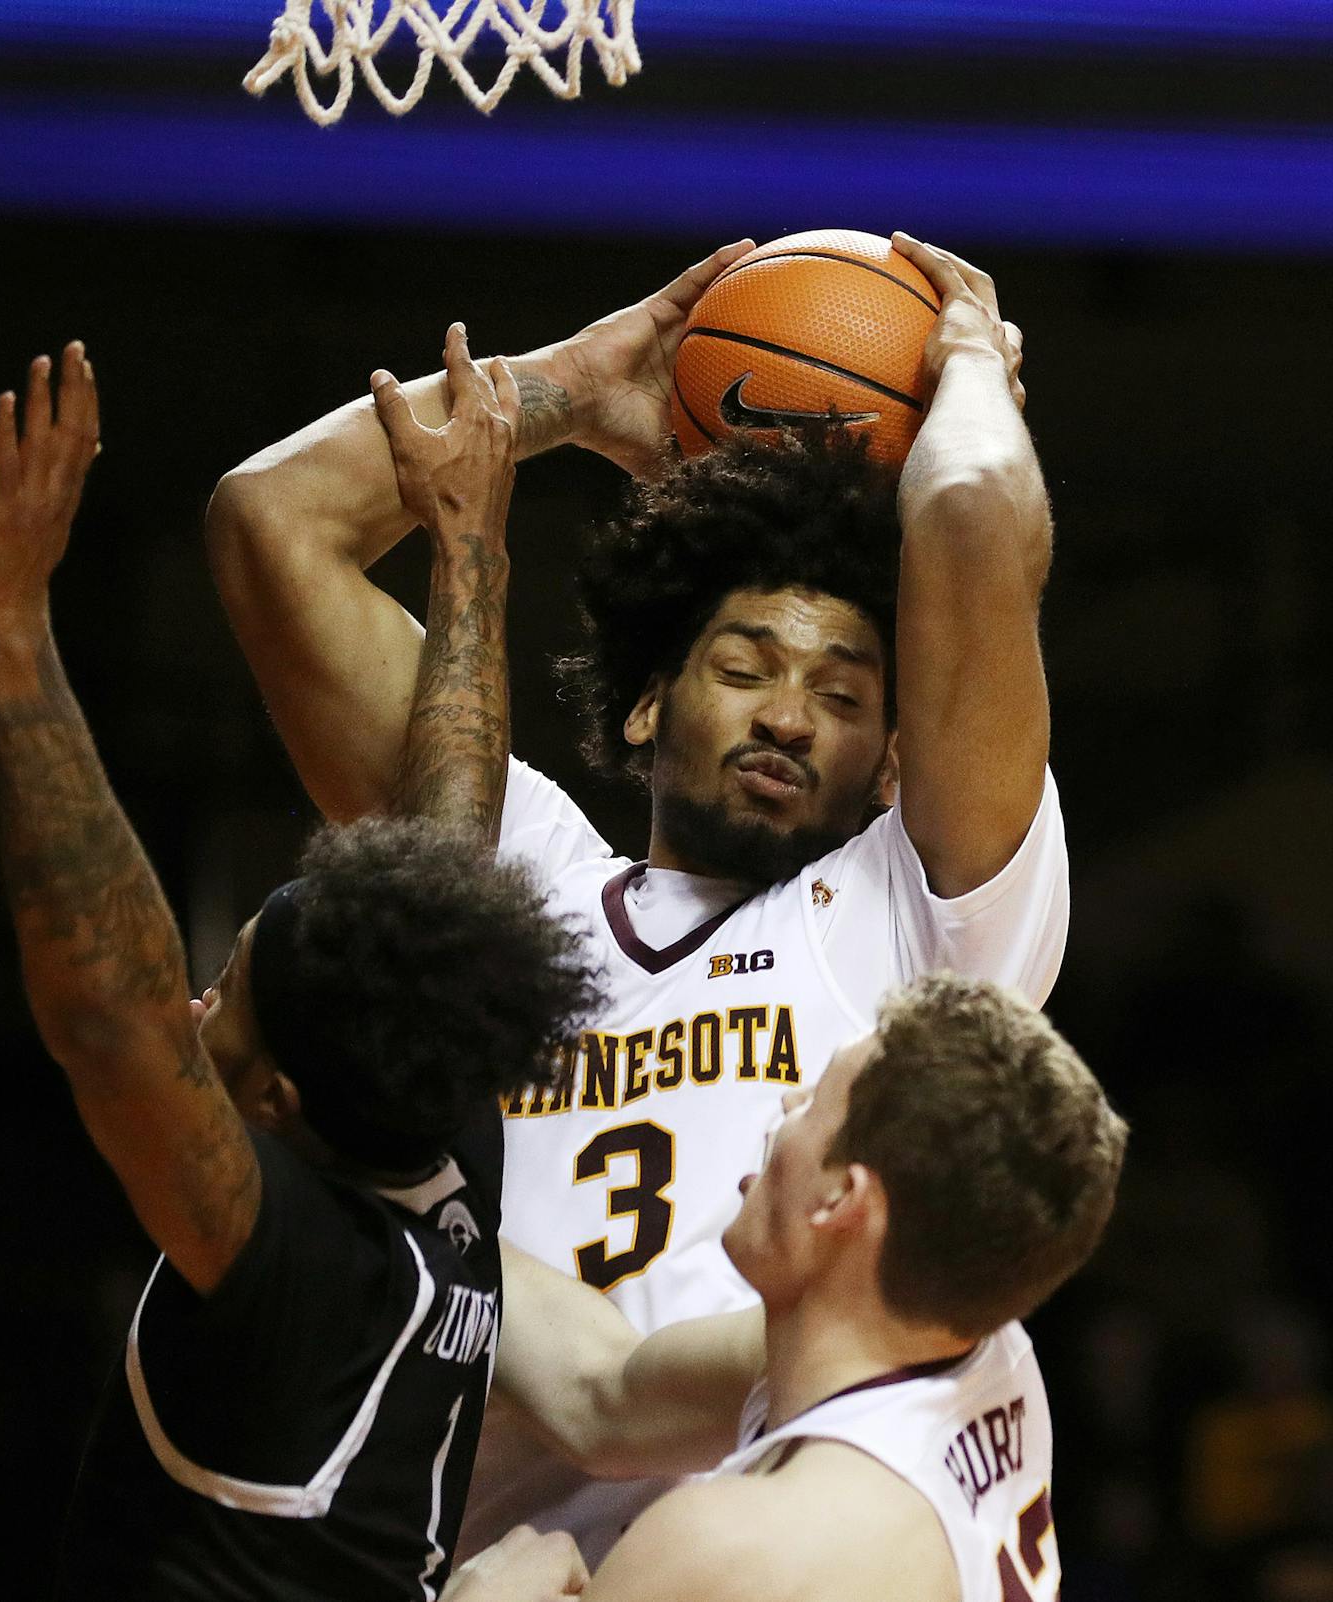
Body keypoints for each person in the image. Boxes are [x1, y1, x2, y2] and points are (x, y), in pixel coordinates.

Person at [207, 232, 1066, 1557]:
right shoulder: (517, 865)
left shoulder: (924, 907)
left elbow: (965, 517)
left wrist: (967, 374)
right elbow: (270, 522)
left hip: (782, 1555)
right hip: (483, 1559)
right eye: (746, 665)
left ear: (895, 759)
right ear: (653, 695)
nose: (790, 713)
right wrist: (564, 390)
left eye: (843, 695)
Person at [0, 338, 599, 1601]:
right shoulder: (442, 1137)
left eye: (226, 991)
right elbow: (444, 853)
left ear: (275, 1108)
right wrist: (468, 553)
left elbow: (111, 1015)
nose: (196, 996)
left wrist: (13, 629)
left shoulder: (294, 1274)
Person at [474, 974, 1129, 1602]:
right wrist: (426, 1203)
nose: (787, 1103)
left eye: (815, 1100)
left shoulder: (734, 1547)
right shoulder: (979, 1351)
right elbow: (605, 1395)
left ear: (842, 1197)